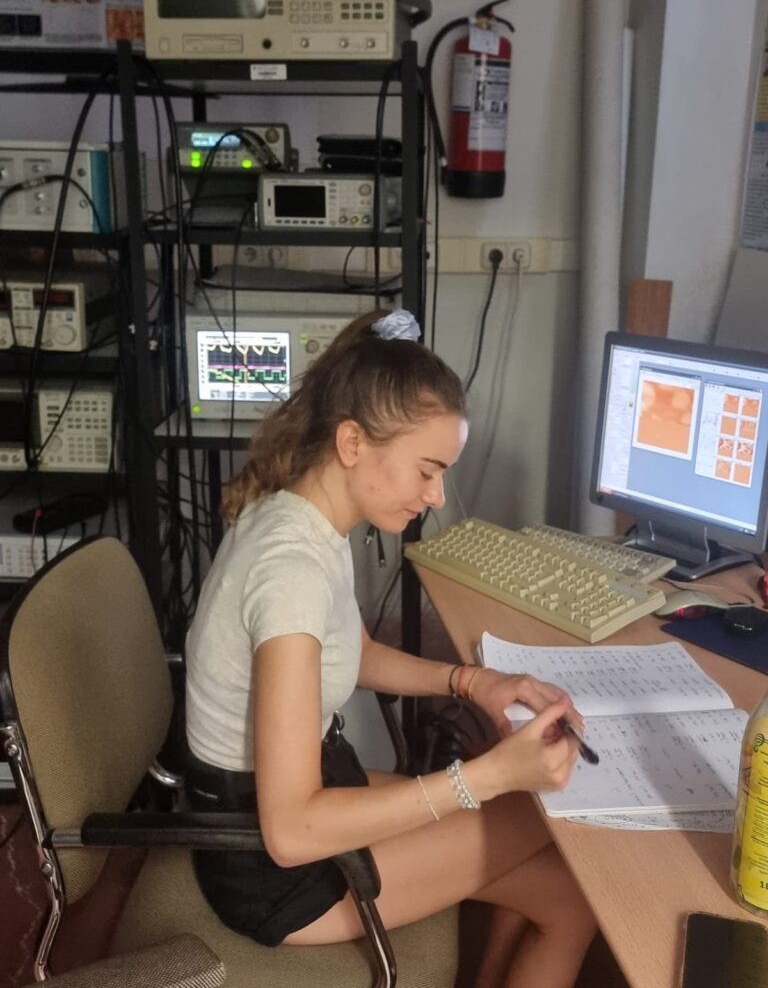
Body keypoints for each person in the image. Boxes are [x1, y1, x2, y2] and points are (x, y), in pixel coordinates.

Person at [185, 309, 597, 988]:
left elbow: (355, 652)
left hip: (302, 795)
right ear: (352, 442)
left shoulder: (302, 516)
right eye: (427, 471)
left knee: (556, 876)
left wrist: (473, 682)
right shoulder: (290, 571)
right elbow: (291, 832)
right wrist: (484, 779)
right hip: (274, 867)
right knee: (554, 856)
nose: (435, 496)